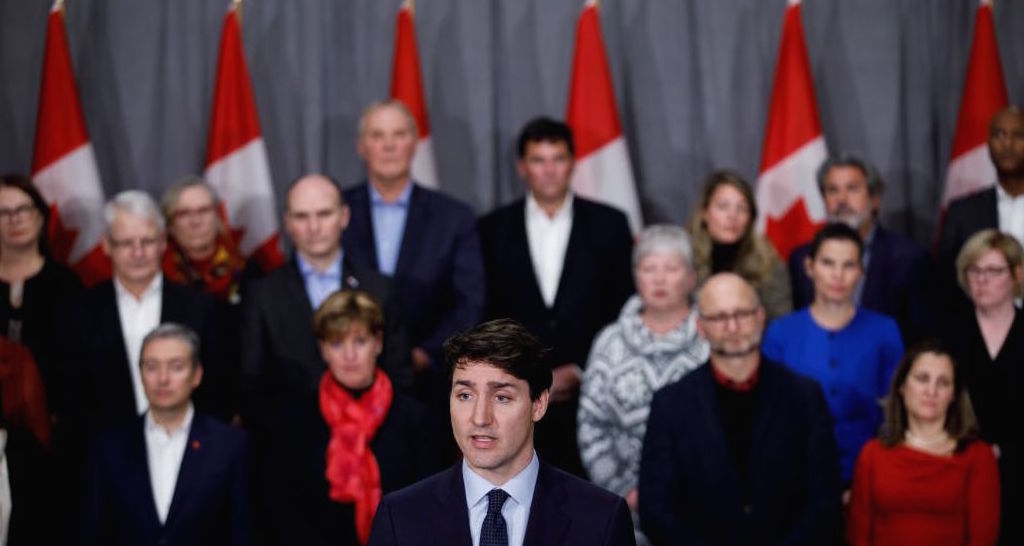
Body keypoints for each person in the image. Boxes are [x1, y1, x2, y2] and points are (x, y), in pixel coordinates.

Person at [367, 319, 636, 546]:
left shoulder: (601, 520)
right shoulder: (399, 518)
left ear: (538, 404)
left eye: (502, 398)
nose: (480, 418)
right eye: (465, 395)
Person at [478, 117, 634, 477]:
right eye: (538, 160)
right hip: (515, 394)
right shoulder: (492, 229)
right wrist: (523, 372)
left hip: (592, 397)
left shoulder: (609, 224)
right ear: (522, 168)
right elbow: (487, 310)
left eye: (558, 159)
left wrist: (582, 368)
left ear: (573, 163)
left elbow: (622, 307)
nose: (549, 171)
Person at [639, 273, 841, 545]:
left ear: (760, 316)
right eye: (719, 318)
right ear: (701, 327)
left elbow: (825, 501)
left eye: (742, 314)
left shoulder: (804, 396)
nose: (732, 327)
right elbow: (655, 509)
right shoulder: (670, 404)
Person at [263, 290, 441, 546]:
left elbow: (428, 508)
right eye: (337, 343)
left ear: (378, 343)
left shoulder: (416, 418)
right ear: (323, 350)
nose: (349, 356)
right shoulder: (293, 420)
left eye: (359, 341)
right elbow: (281, 510)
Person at [577, 224, 709, 546]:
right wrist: (626, 491)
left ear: (691, 278)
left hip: (703, 510)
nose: (660, 279)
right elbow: (592, 425)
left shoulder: (712, 339)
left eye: (671, 268)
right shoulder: (610, 341)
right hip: (626, 511)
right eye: (649, 268)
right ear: (636, 275)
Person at [62, 190, 227, 433]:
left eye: (147, 242)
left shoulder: (200, 308)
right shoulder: (78, 313)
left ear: (162, 243)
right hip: (105, 455)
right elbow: (71, 397)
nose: (138, 253)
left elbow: (218, 389)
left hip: (189, 450)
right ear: (106, 245)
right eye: (126, 243)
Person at [80, 323, 250, 546]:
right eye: (151, 367)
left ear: (197, 374)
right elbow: (92, 531)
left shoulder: (230, 445)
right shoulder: (109, 447)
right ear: (140, 373)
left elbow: (244, 530)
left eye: (176, 367)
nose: (163, 378)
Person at [763, 223, 903, 485]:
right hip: (797, 476)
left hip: (869, 473)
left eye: (849, 265)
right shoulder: (780, 333)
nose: (838, 275)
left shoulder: (885, 331)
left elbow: (895, 413)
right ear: (809, 267)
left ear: (862, 271)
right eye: (828, 263)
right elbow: (770, 414)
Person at [847, 342, 1000, 546]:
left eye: (943, 382)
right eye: (922, 379)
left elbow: (983, 540)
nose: (931, 391)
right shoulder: (872, 454)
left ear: (953, 395)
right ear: (902, 386)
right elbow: (858, 537)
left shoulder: (978, 456)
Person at [788, 154, 934, 342]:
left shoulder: (908, 258)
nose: (841, 199)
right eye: (832, 190)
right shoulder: (801, 258)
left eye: (852, 189)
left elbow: (922, 339)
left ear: (875, 200)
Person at [943, 229, 1024, 544]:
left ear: (1017, 275)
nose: (982, 280)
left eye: (993, 271)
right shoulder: (946, 335)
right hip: (958, 470)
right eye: (974, 271)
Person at [0, 174, 82, 410]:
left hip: (55, 418)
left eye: (23, 209)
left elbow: (77, 362)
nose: (14, 220)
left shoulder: (65, 284)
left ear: (40, 216)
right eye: (4, 213)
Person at [938, 106, 1024, 307]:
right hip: (978, 331)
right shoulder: (962, 212)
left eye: (1018, 135)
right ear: (988, 144)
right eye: (998, 135)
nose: (1007, 144)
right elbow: (946, 283)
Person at [686, 170, 791, 320]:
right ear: (705, 213)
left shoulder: (769, 265)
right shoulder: (683, 261)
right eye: (723, 207)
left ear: (750, 218)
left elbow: (780, 325)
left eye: (741, 208)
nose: (732, 216)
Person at [160, 176, 251, 304]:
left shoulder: (246, 271)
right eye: (184, 213)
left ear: (218, 217)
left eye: (203, 211)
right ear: (170, 225)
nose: (196, 221)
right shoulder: (156, 275)